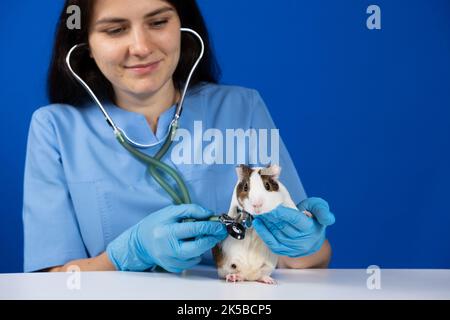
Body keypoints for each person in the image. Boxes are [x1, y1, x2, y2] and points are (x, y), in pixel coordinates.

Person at [23, 0, 335, 273]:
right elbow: (53, 280)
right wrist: (127, 253)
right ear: (85, 45)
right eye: (115, 30)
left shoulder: (243, 108)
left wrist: (305, 244)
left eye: (158, 22)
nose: (142, 47)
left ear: (182, 26)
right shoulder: (55, 129)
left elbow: (304, 260)